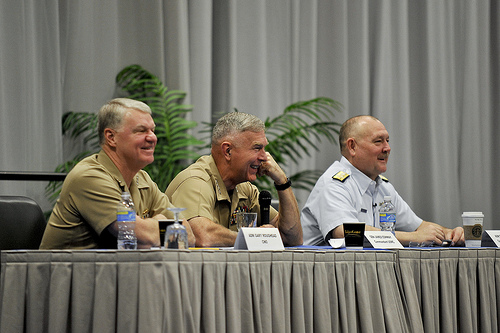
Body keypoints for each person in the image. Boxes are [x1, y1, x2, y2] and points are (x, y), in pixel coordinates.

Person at [40, 98, 195, 249]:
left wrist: (154, 226)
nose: (152, 137)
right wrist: (160, 222)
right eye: (141, 131)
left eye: (153, 130)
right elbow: (143, 237)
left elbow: (188, 235)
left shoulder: (142, 178)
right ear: (111, 137)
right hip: (68, 273)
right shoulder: (89, 177)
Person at [301, 115, 464, 247]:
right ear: (352, 147)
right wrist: (414, 237)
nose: (387, 148)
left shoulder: (383, 187)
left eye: (387, 140)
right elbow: (346, 232)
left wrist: (449, 234)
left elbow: (418, 226)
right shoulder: (334, 183)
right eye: (378, 141)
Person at [165, 111, 303, 247]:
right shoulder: (195, 181)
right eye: (257, 148)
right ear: (228, 151)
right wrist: (252, 237)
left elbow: (292, 238)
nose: (264, 157)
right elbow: (202, 236)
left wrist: (282, 183)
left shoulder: (244, 188)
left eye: (264, 148)